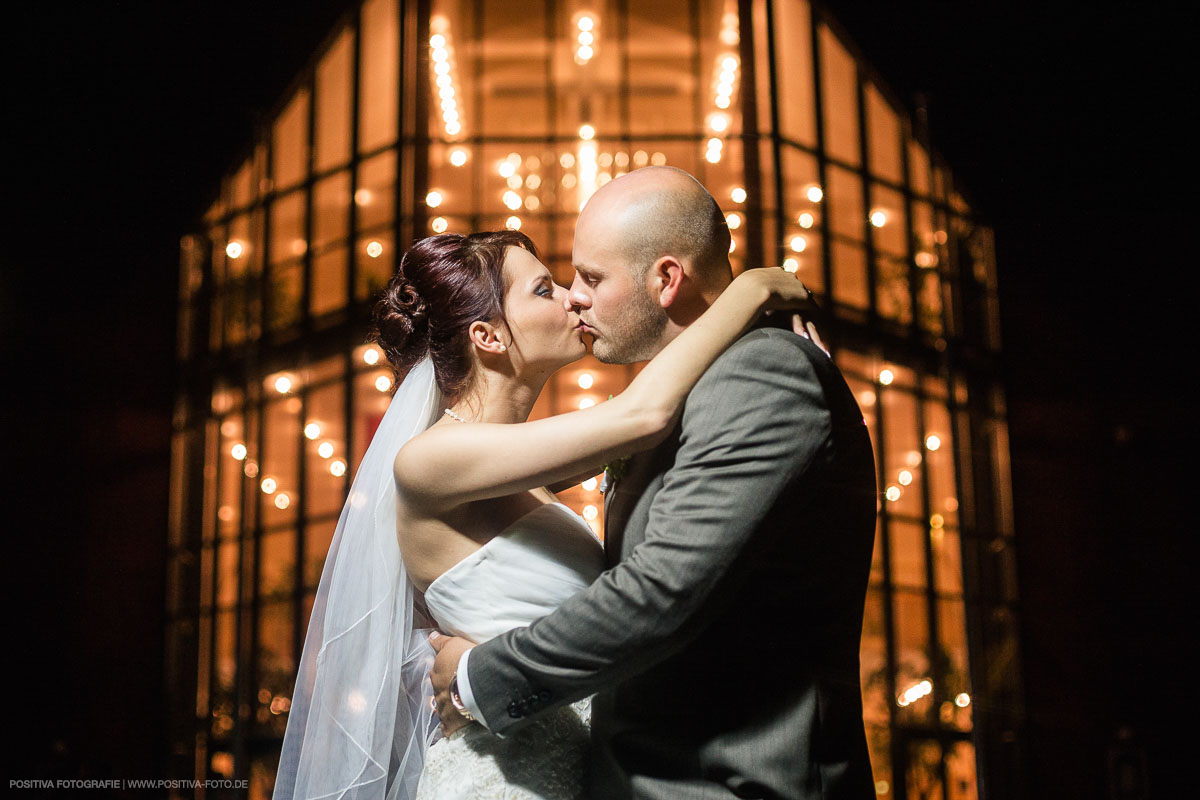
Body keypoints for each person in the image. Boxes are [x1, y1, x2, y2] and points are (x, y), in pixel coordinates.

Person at [272, 218, 818, 800]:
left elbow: (650, 429)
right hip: (506, 779)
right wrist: (756, 286)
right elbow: (641, 417)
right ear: (489, 337)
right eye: (544, 289)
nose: (574, 297)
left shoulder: (521, 468)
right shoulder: (431, 459)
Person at [429, 166, 879, 799]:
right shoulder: (669, 396)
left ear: (667, 279)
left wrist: (479, 678)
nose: (573, 297)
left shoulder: (763, 375)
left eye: (591, 277)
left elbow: (661, 591)